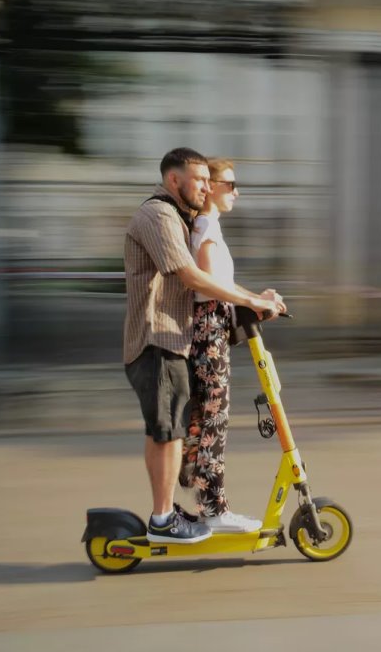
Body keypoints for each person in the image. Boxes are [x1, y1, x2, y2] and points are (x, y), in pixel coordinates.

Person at [123, 147, 283, 544]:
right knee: (167, 429)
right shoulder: (157, 215)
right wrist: (251, 301)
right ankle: (163, 520)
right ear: (174, 179)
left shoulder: (183, 217)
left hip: (173, 339)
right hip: (154, 337)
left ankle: (181, 510)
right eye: (200, 180)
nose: (207, 187)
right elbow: (193, 278)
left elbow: (214, 283)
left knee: (177, 427)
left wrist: (253, 300)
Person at [179, 158, 280, 532]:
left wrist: (259, 298)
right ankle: (214, 509)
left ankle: (204, 494)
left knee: (211, 419)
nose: (236, 192)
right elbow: (205, 286)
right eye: (230, 184)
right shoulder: (204, 226)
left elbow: (223, 286)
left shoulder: (211, 228)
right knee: (213, 420)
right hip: (208, 332)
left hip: (214, 329)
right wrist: (253, 302)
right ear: (212, 188)